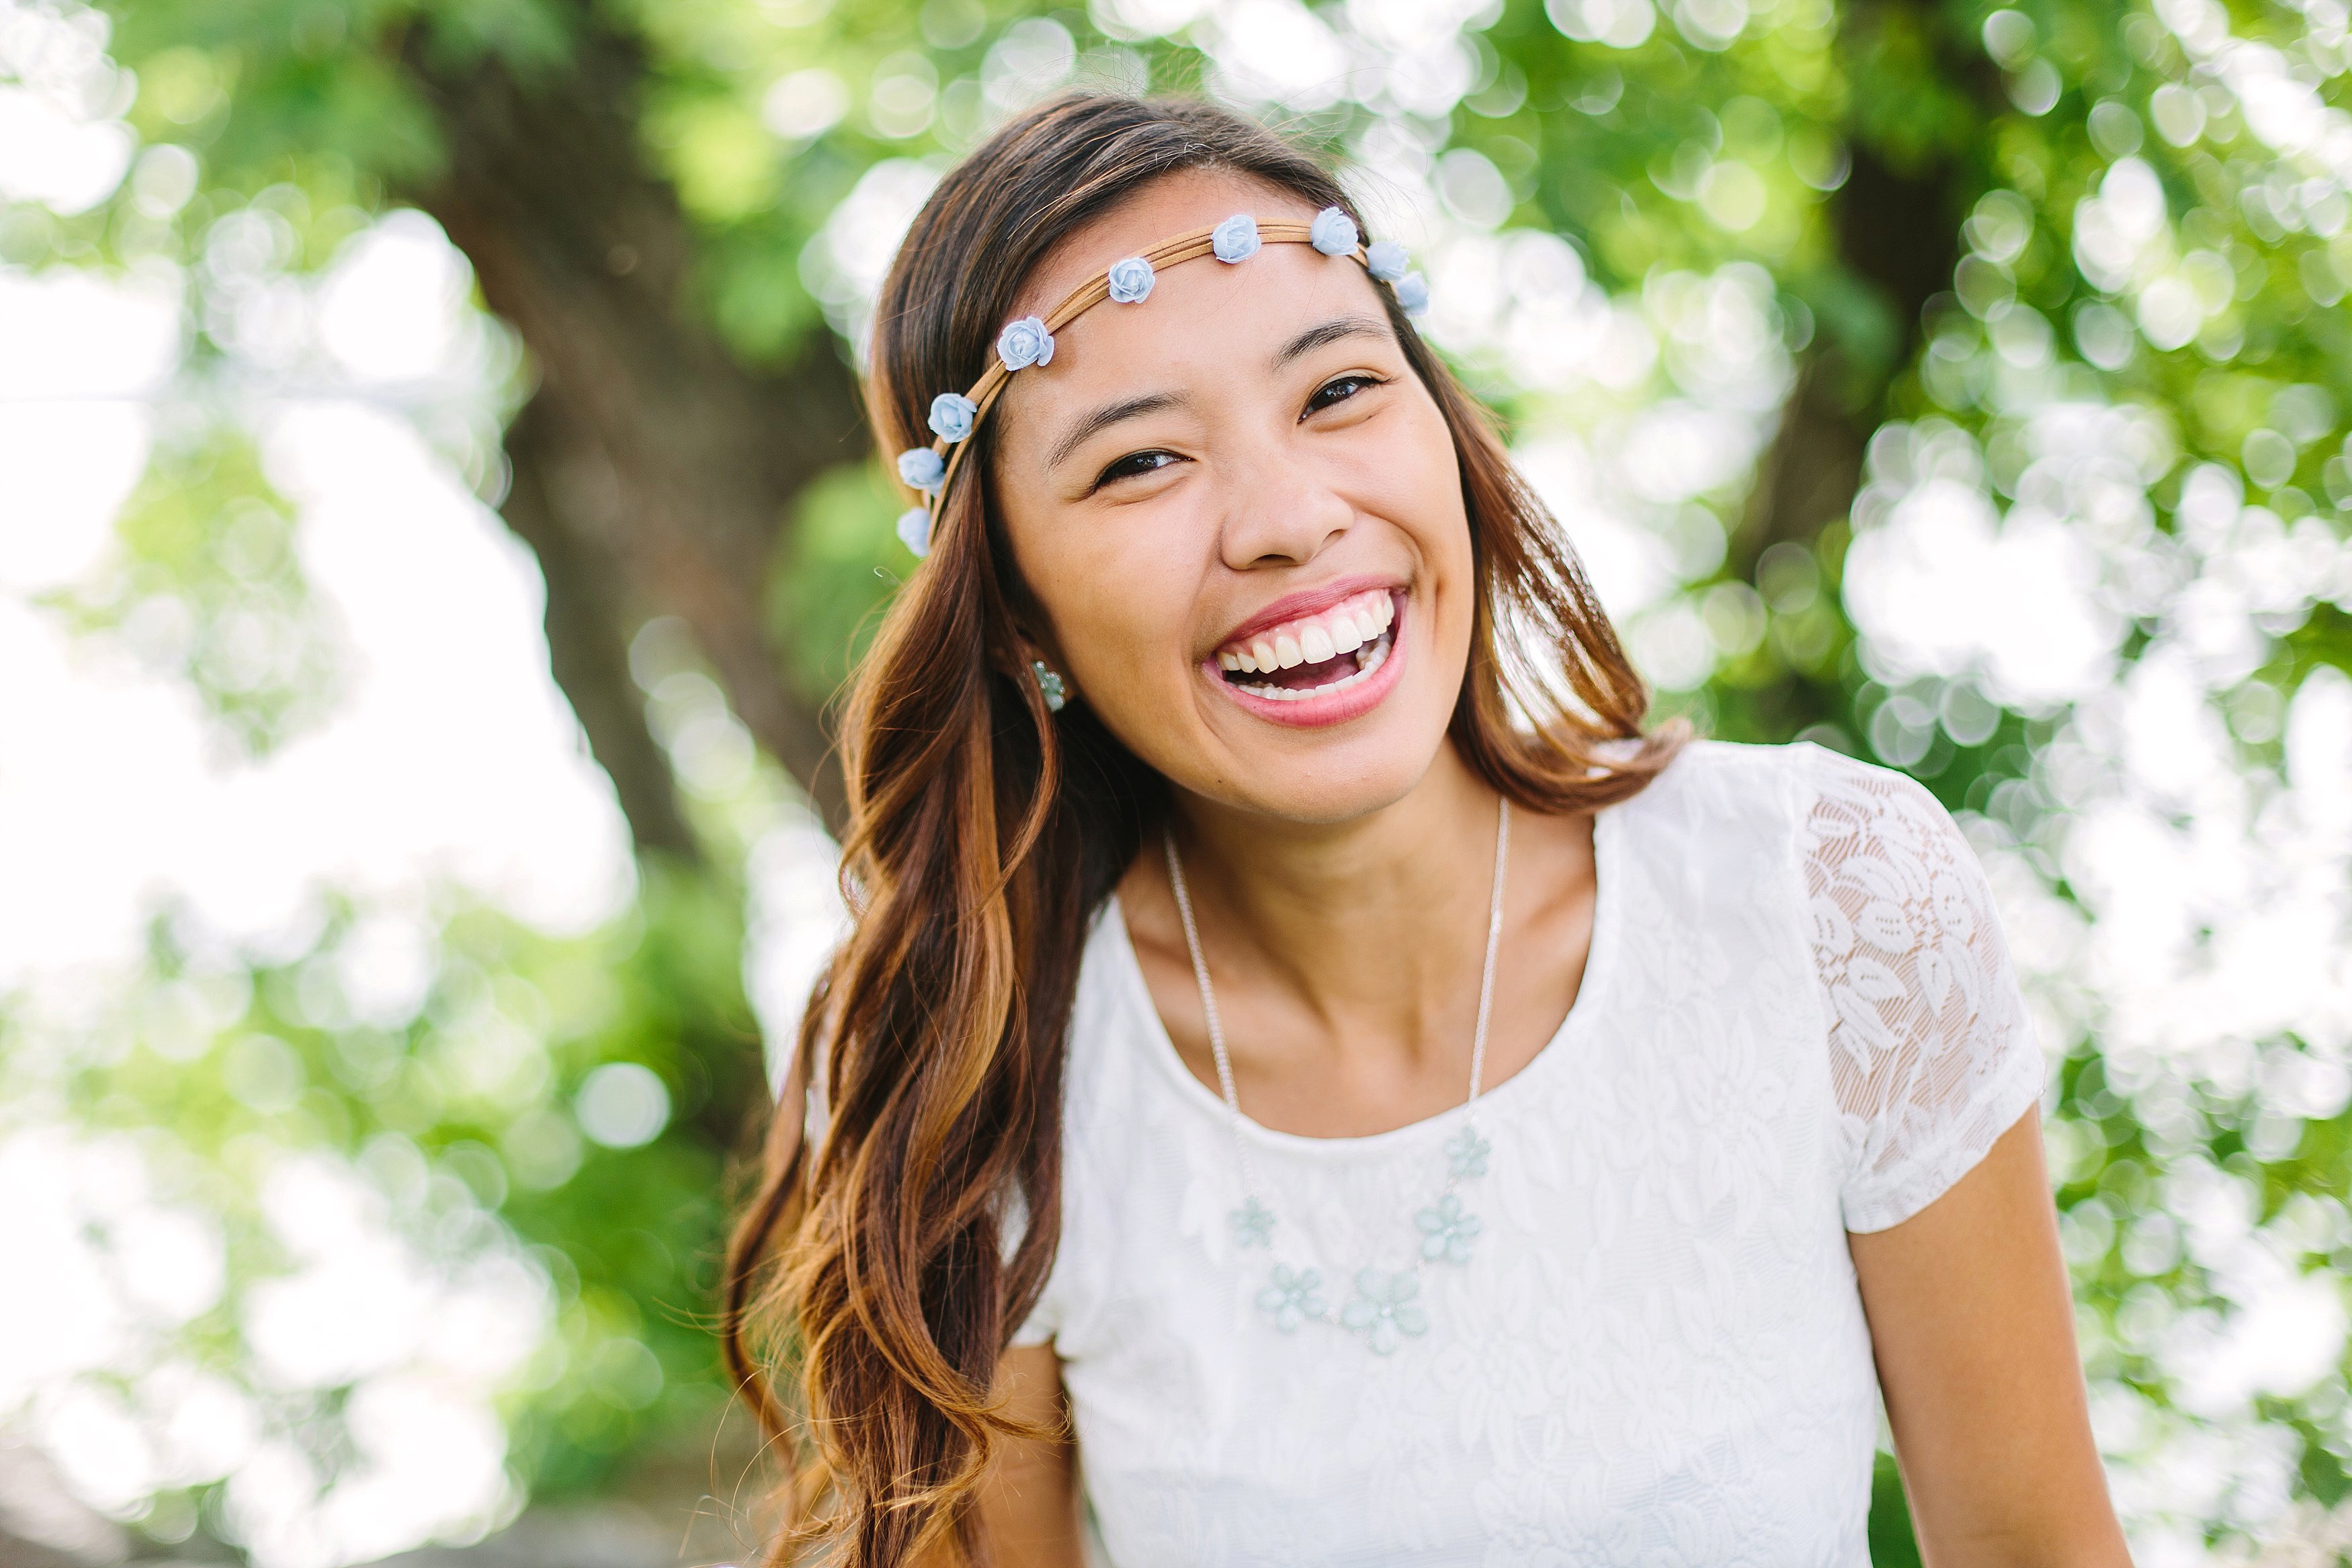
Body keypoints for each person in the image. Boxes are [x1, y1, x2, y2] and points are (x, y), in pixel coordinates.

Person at [724, 92, 2130, 1568]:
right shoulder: (986, 1079)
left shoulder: (1828, 904)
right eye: (1141, 461)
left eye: (1334, 393)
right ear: (1012, 612)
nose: (1285, 517)